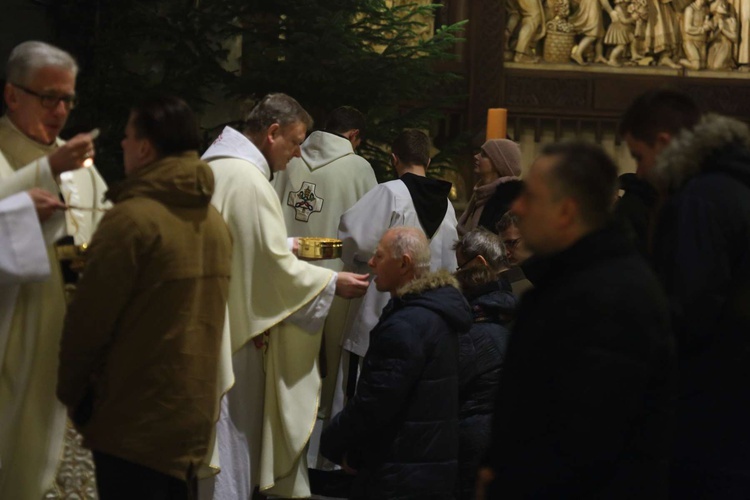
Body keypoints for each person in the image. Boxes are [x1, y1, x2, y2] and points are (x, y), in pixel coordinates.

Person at [56, 95, 232, 499]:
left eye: (128, 135)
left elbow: (89, 322)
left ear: (146, 147)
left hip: (134, 417)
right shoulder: (214, 219)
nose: (121, 144)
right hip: (191, 408)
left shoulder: (132, 220)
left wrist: (74, 395)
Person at [479, 141, 675, 498]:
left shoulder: (613, 296)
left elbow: (591, 437)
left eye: (531, 197)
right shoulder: (561, 279)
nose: (518, 207)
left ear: (566, 211)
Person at [199, 93, 369, 499]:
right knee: (231, 441)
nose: (297, 155)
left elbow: (244, 250)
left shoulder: (216, 166)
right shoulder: (247, 181)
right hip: (234, 338)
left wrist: (283, 244)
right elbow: (268, 269)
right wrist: (331, 284)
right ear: (272, 133)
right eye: (294, 142)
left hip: (216, 319)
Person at [624, 90, 750, 497]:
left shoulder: (700, 200)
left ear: (663, 143)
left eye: (638, 156)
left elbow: (687, 313)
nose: (639, 172)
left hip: (709, 414)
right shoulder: (734, 186)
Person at [0, 40, 106, 499]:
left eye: (67, 99)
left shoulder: (81, 167)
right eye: (49, 97)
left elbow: (105, 240)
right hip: (11, 344)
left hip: (68, 346)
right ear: (12, 95)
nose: (60, 110)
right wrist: (42, 173)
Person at [320, 226, 472, 499]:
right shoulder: (432, 314)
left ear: (404, 263)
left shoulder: (407, 325)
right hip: (425, 467)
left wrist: (332, 444)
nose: (371, 263)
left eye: (379, 256)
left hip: (399, 474)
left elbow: (375, 402)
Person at [271, 106, 377, 474]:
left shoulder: (291, 156)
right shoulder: (359, 168)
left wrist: (300, 246)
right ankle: (320, 463)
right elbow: (369, 237)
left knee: (284, 370)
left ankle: (276, 458)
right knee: (328, 375)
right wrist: (333, 251)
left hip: (285, 278)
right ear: (353, 137)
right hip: (337, 283)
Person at [335, 129, 458, 419]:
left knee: (364, 394)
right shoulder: (448, 206)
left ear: (393, 159)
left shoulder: (389, 193)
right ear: (427, 161)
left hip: (379, 314)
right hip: (428, 319)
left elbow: (353, 240)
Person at [452, 228, 517, 500]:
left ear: (478, 265)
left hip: (475, 433)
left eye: (460, 267)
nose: (456, 273)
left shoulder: (477, 318)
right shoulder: (511, 299)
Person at [457, 138, 522, 236]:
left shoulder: (507, 200)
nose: (476, 156)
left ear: (498, 163)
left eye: (483, 155)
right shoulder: (481, 195)